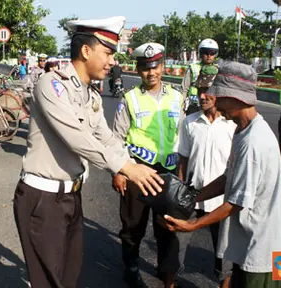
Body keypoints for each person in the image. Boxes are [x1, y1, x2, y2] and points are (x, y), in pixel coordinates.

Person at [13, 17, 164, 288]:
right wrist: (125, 168)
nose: (112, 62)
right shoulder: (51, 84)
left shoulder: (90, 95)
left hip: (71, 195)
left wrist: (133, 164)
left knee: (70, 276)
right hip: (43, 198)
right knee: (49, 282)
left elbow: (105, 137)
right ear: (85, 51)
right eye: (107, 53)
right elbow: (77, 138)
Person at [161, 61, 281, 288]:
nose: (216, 102)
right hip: (248, 244)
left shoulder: (254, 142)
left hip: (263, 253)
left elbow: (236, 202)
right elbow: (227, 178)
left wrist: (192, 226)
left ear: (235, 97)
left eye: (220, 97)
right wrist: (191, 197)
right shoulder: (243, 131)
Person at [112, 42, 184, 288]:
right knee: (133, 225)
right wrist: (119, 171)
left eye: (155, 67)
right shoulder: (130, 98)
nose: (150, 73)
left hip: (168, 172)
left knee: (167, 226)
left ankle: (167, 271)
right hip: (137, 170)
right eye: (145, 68)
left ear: (162, 67)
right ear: (138, 69)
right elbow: (117, 138)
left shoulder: (177, 97)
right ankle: (131, 267)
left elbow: (182, 136)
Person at [177, 65, 236, 288]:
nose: (202, 96)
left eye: (208, 91)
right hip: (192, 196)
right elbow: (183, 158)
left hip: (222, 201)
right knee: (177, 245)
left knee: (225, 254)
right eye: (199, 90)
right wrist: (181, 190)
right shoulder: (190, 122)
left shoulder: (232, 125)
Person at [181, 38, 218, 115]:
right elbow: (184, 88)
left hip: (211, 106)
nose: (209, 56)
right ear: (200, 53)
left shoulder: (218, 69)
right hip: (194, 105)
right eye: (205, 52)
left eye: (212, 53)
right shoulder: (193, 68)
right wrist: (182, 105)